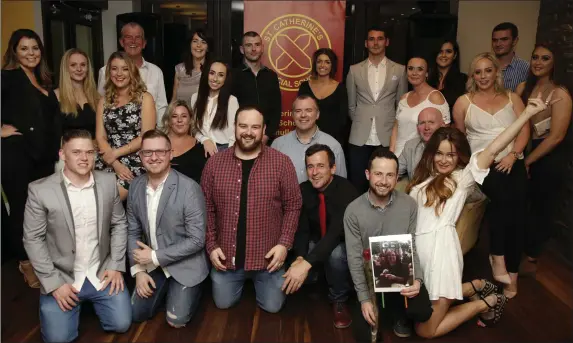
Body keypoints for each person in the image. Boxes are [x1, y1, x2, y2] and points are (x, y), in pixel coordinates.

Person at [407, 91, 557, 338]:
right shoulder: (420, 181)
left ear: (459, 157)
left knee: (425, 331)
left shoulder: (463, 178)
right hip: (417, 254)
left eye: (451, 154)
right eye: (440, 153)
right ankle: (475, 286)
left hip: (440, 254)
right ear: (431, 153)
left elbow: (495, 146)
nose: (444, 160)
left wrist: (527, 114)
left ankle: (486, 302)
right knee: (411, 315)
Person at [23, 129, 131, 342]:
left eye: (89, 152)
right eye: (77, 152)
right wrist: (53, 283)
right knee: (58, 339)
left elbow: (119, 223)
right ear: (62, 154)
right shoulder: (40, 190)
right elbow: (33, 239)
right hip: (62, 276)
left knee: (122, 323)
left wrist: (116, 264)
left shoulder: (109, 183)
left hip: (100, 271)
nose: (84, 158)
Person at [201, 106, 302, 313]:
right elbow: (206, 208)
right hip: (226, 259)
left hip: (267, 259)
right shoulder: (214, 164)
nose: (248, 132)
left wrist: (284, 244)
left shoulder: (281, 163)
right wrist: (211, 244)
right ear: (235, 128)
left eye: (255, 127)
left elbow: (293, 205)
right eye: (243, 126)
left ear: (264, 129)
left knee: (273, 307)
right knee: (223, 303)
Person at [453, 52, 528, 297]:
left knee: (517, 216)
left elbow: (524, 129)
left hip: (512, 161)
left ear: (496, 72)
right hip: (483, 167)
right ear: (472, 76)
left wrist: (513, 155)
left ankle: (511, 275)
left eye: (488, 70)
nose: (483, 76)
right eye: (478, 71)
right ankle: (497, 257)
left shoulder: (512, 98)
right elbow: (461, 141)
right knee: (504, 200)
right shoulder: (463, 102)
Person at [128, 129, 208, 328]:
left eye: (160, 152)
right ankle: (165, 289)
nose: (154, 157)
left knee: (176, 320)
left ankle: (187, 290)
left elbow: (197, 240)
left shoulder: (189, 188)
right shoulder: (136, 186)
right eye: (147, 152)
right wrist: (138, 270)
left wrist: (154, 257)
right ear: (140, 156)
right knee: (135, 313)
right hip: (151, 264)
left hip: (185, 263)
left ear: (170, 154)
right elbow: (132, 231)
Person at [344, 148, 428, 340]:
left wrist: (418, 280)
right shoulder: (353, 210)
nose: (383, 181)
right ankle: (378, 308)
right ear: (368, 174)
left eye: (390, 175)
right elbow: (354, 258)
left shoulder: (409, 205)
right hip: (369, 272)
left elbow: (412, 246)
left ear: (397, 177)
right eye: (378, 174)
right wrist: (364, 299)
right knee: (365, 336)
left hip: (400, 271)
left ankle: (401, 315)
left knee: (422, 311)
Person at [1, 29, 61, 288]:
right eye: (24, 48)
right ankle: (25, 263)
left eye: (35, 48)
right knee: (22, 210)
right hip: (18, 154)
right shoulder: (7, 77)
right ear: (14, 51)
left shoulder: (44, 81)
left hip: (44, 156)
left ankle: (42, 259)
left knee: (42, 211)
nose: (30, 53)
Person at [284, 144, 358, 328]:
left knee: (336, 254)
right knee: (300, 257)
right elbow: (302, 229)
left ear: (332, 168)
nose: (315, 172)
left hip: (341, 246)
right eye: (310, 166)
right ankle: (316, 278)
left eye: (321, 166)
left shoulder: (347, 191)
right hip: (315, 243)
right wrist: (300, 257)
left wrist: (306, 265)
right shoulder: (303, 190)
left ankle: (339, 299)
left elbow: (335, 234)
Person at [516, 43, 573, 275]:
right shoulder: (524, 88)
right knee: (522, 206)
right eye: (535, 57)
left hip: (548, 158)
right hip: (525, 149)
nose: (538, 62)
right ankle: (517, 251)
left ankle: (531, 258)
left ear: (554, 63)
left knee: (542, 208)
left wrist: (528, 161)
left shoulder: (560, 94)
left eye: (545, 58)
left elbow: (556, 136)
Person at [346, 25, 407, 192]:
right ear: (366, 43)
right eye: (371, 39)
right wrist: (361, 120)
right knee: (357, 184)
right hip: (360, 135)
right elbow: (351, 106)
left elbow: (401, 106)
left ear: (386, 42)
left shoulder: (400, 70)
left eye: (380, 38)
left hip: (387, 136)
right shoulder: (354, 70)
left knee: (384, 185)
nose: (376, 43)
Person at [95, 51, 156, 201]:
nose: (119, 73)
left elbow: (146, 137)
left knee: (108, 200)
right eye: (114, 69)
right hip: (107, 157)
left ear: (132, 71)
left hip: (135, 159)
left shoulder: (145, 98)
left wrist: (116, 154)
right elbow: (100, 137)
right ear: (109, 72)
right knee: (88, 195)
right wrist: (114, 162)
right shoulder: (104, 101)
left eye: (125, 68)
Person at [97, 22, 167, 126]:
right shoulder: (105, 71)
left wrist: (159, 136)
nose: (133, 41)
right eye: (128, 37)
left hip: (150, 136)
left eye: (138, 37)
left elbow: (161, 108)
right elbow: (101, 105)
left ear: (144, 43)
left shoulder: (156, 71)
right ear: (121, 42)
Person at [271, 95, 347, 183]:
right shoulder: (278, 145)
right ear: (292, 115)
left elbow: (341, 184)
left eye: (308, 110)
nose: (303, 115)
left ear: (317, 114)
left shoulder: (333, 145)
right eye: (298, 111)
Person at [390, 56, 450, 157]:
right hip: (398, 158)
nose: (414, 73)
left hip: (422, 158)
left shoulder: (435, 97)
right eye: (410, 68)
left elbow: (445, 131)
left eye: (420, 69)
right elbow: (396, 128)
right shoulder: (404, 98)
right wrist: (391, 154)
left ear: (426, 73)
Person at [231, 31, 282, 144]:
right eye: (249, 45)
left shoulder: (271, 76)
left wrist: (266, 135)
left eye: (257, 45)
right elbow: (228, 111)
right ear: (241, 49)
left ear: (262, 48)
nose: (254, 49)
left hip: (266, 140)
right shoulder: (232, 75)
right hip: (240, 139)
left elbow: (276, 110)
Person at [297, 48, 348, 144]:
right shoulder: (305, 86)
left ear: (332, 65)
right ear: (315, 64)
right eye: (319, 61)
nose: (322, 65)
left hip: (333, 140)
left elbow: (342, 120)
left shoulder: (340, 88)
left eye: (327, 62)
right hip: (307, 138)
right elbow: (299, 113)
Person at [190, 59, 238, 156]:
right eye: (212, 73)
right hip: (202, 147)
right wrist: (204, 140)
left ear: (225, 79)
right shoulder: (195, 97)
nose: (215, 79)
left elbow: (235, 131)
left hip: (225, 149)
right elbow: (193, 127)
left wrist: (229, 154)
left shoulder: (231, 100)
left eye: (220, 75)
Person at [55, 48, 99, 137]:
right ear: (66, 68)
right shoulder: (54, 96)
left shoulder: (97, 98)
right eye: (73, 65)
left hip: (93, 150)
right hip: (66, 149)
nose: (79, 69)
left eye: (83, 65)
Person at [161, 100, 207, 184]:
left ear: (190, 120)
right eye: (174, 116)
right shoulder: (158, 144)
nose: (179, 120)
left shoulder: (201, 148)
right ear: (169, 120)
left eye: (184, 116)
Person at [398, 107, 446, 180]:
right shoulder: (410, 146)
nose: (426, 127)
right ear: (417, 128)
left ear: (442, 125)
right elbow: (395, 170)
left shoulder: (451, 147)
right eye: (422, 123)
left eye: (431, 122)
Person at [427, 39, 468, 121]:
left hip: (452, 130)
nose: (443, 55)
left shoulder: (464, 80)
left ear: (455, 55)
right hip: (427, 129)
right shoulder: (426, 79)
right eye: (440, 51)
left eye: (448, 51)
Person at [172, 29, 210, 102]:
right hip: (182, 113)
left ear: (208, 48)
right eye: (195, 41)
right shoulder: (180, 69)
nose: (198, 45)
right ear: (190, 44)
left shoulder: (212, 70)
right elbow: (174, 100)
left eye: (203, 42)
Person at [491, 22, 529, 92]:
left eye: (504, 39)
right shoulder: (484, 65)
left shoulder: (525, 68)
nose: (498, 44)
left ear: (515, 41)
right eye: (495, 40)